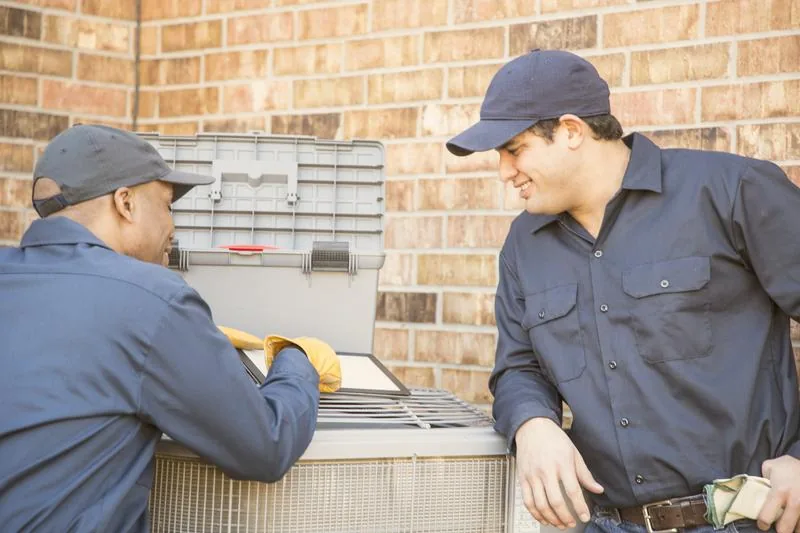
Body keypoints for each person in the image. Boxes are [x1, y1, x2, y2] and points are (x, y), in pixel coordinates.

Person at [446, 49, 800, 533]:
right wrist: (532, 425)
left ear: (571, 131)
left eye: (514, 149)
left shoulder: (730, 192)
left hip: (743, 521)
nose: (504, 171)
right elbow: (517, 367)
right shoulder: (523, 247)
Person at [0, 125, 340, 532]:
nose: (173, 227)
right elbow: (265, 445)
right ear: (124, 203)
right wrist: (296, 360)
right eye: (166, 205)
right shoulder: (150, 299)